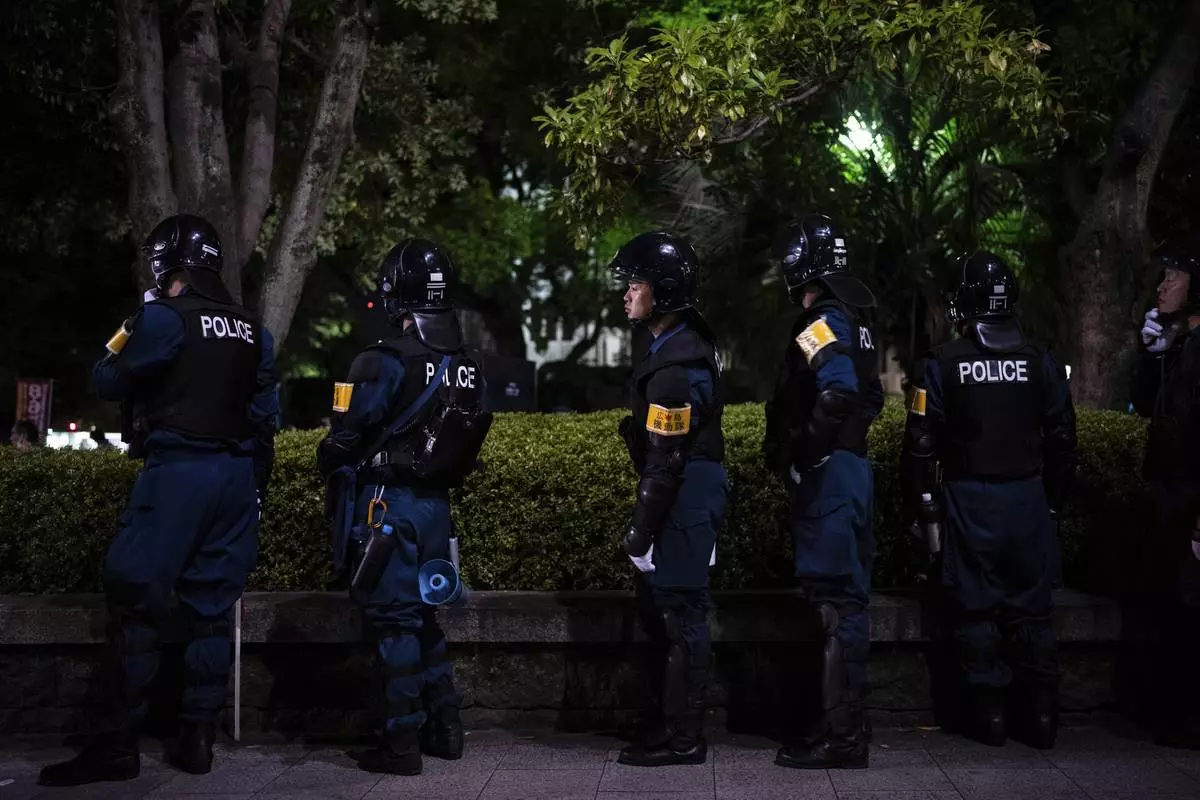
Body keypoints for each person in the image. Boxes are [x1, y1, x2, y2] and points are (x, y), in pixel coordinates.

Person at [39, 213, 280, 786]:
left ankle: (115, 746)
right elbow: (265, 416)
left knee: (135, 600)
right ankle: (197, 740)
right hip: (235, 479)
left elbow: (108, 379)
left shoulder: (163, 318)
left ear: (165, 265)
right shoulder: (255, 331)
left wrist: (128, 327)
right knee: (211, 611)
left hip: (178, 474)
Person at [318, 238, 492, 775]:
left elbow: (345, 436)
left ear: (396, 294)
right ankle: (447, 728)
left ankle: (401, 745)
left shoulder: (382, 359)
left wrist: (329, 454)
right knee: (425, 620)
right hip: (436, 510)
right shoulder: (467, 365)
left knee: (395, 624)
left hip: (387, 506)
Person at [901, 251, 1076, 750]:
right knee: (1033, 612)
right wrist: (1051, 505)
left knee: (975, 609)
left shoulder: (940, 364)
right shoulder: (1042, 362)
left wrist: (922, 510)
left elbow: (919, 446)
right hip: (1028, 499)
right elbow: (1064, 441)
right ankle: (1041, 718)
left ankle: (990, 718)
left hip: (969, 502)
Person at [762, 214, 884, 769]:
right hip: (853, 470)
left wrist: (808, 454)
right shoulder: (857, 320)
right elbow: (871, 398)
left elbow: (838, 394)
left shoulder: (819, 322)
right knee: (848, 603)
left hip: (830, 475)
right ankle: (846, 724)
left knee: (834, 607)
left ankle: (841, 737)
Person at [611, 231, 728, 767]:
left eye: (636, 285)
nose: (627, 294)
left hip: (684, 493)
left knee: (683, 613)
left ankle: (685, 738)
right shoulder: (677, 345)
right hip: (686, 489)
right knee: (668, 611)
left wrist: (641, 529)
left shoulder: (676, 365)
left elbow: (666, 458)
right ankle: (668, 722)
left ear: (663, 292)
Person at [1128, 240, 1200, 747]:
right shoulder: (1178, 344)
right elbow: (1146, 404)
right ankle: (1169, 715)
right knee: (1170, 605)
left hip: (1192, 496)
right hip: (1172, 491)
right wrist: (1148, 356)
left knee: (1190, 608)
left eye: (1173, 277)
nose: (1162, 286)